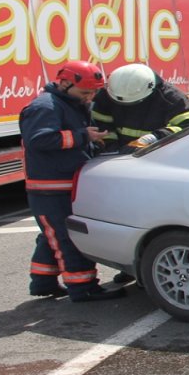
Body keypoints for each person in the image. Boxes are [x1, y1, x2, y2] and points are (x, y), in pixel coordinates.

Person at [19, 61, 127, 302]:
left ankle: (43, 282)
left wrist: (89, 142)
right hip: (50, 190)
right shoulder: (45, 107)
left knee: (53, 237)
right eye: (85, 92)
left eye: (93, 93)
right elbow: (39, 140)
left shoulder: (69, 104)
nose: (89, 97)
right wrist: (82, 136)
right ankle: (83, 288)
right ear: (65, 83)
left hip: (62, 187)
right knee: (68, 238)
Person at [92, 64, 189, 153]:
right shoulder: (109, 93)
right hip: (120, 155)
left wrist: (151, 138)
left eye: (133, 102)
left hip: (158, 153)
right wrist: (112, 147)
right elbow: (102, 124)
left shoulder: (170, 98)